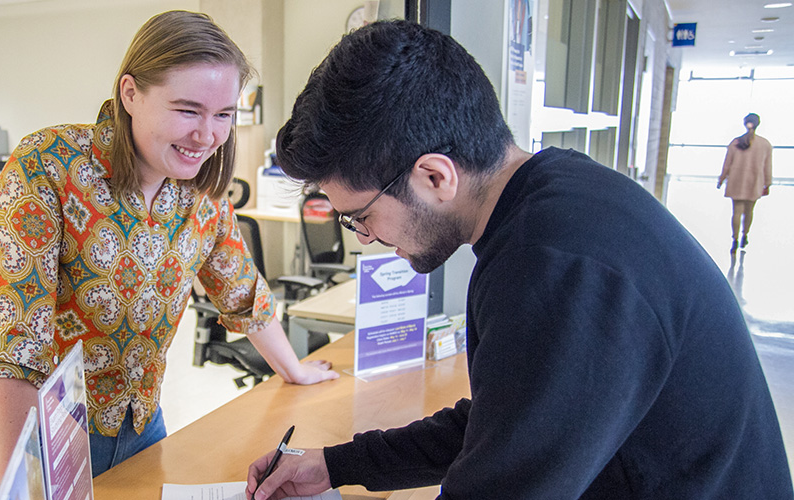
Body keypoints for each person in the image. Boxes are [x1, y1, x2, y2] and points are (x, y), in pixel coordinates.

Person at [246, 20, 792, 500]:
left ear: (435, 176)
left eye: (359, 215)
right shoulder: (555, 196)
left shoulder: (555, 265)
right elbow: (506, 425)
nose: (364, 238)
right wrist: (335, 465)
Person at [0, 10, 338, 499]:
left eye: (223, 115)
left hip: (137, 418)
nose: (207, 136)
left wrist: (296, 370)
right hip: (29, 425)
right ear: (130, 93)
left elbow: (242, 293)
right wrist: (24, 490)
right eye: (188, 110)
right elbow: (15, 346)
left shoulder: (202, 191)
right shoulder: (48, 164)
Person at [717, 113, 773, 253]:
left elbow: (727, 164)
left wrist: (722, 179)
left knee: (736, 211)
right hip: (755, 181)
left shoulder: (735, 142)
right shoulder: (765, 144)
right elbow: (768, 166)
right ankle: (744, 235)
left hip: (737, 180)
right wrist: (767, 183)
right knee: (749, 211)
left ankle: (734, 239)